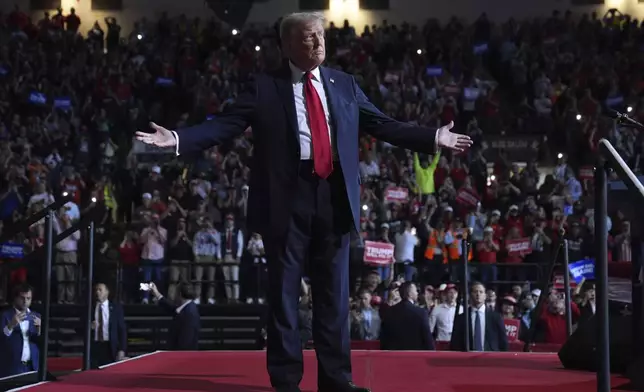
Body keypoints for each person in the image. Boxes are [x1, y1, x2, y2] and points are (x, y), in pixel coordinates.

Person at [136, 12, 471, 392]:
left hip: (334, 197)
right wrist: (178, 138)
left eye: (320, 35)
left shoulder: (344, 83)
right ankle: (285, 380)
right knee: (284, 297)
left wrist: (432, 138)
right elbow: (225, 124)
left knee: (335, 297)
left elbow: (383, 124)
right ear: (287, 45)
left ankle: (336, 379)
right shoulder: (265, 87)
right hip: (287, 199)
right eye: (309, 37)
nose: (318, 42)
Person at [450, 282, 508, 352]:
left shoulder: (496, 317)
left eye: (481, 292)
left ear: (485, 296)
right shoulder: (461, 318)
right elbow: (455, 343)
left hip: (490, 358)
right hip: (467, 358)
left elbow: (503, 341)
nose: (478, 294)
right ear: (470, 295)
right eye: (475, 292)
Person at [0, 284, 41, 377]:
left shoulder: (36, 317)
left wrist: (39, 330)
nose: (25, 301)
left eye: (28, 298)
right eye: (22, 298)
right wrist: (11, 325)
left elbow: (40, 342)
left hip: (32, 366)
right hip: (11, 366)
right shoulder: (5, 315)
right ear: (15, 298)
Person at [380, 281, 434, 351]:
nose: (417, 293)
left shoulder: (389, 311)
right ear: (410, 294)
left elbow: (384, 338)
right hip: (415, 356)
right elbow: (427, 338)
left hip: (393, 356)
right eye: (415, 291)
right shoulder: (421, 312)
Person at [148, 281, 200, 350]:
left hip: (182, 356)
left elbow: (185, 342)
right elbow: (172, 309)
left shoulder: (189, 314)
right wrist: (157, 294)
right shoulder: (188, 307)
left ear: (180, 294)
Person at [91, 283, 127, 368]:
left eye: (100, 290)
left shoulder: (116, 308)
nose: (97, 292)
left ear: (107, 292)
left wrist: (122, 349)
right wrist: (89, 327)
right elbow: (78, 328)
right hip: (94, 347)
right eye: (96, 290)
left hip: (110, 347)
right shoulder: (90, 308)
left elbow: (122, 330)